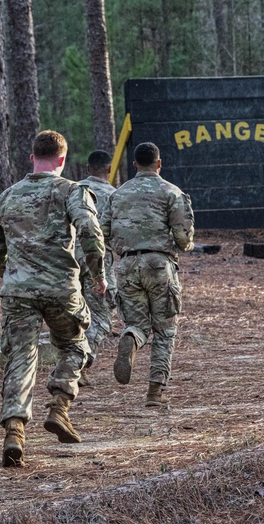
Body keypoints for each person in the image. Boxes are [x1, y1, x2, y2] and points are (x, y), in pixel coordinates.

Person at [0, 130, 106, 468]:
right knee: (76, 346)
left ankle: (14, 431)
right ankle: (59, 408)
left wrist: (11, 276)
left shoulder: (7, 196)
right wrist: (97, 275)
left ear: (31, 157)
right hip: (60, 288)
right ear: (63, 160)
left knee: (20, 357)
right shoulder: (71, 191)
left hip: (17, 291)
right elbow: (91, 233)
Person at [101, 142, 194, 408]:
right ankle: (155, 391)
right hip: (159, 264)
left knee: (139, 325)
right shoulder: (171, 192)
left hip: (127, 266)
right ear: (159, 163)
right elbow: (184, 239)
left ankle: (130, 338)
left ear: (134, 165)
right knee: (165, 331)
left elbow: (103, 232)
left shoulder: (117, 194)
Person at [76, 150, 117, 387]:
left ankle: (71, 358)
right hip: (98, 261)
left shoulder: (71, 190)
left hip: (67, 259)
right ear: (109, 170)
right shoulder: (114, 196)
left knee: (72, 314)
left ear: (87, 168)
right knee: (101, 317)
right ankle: (78, 363)